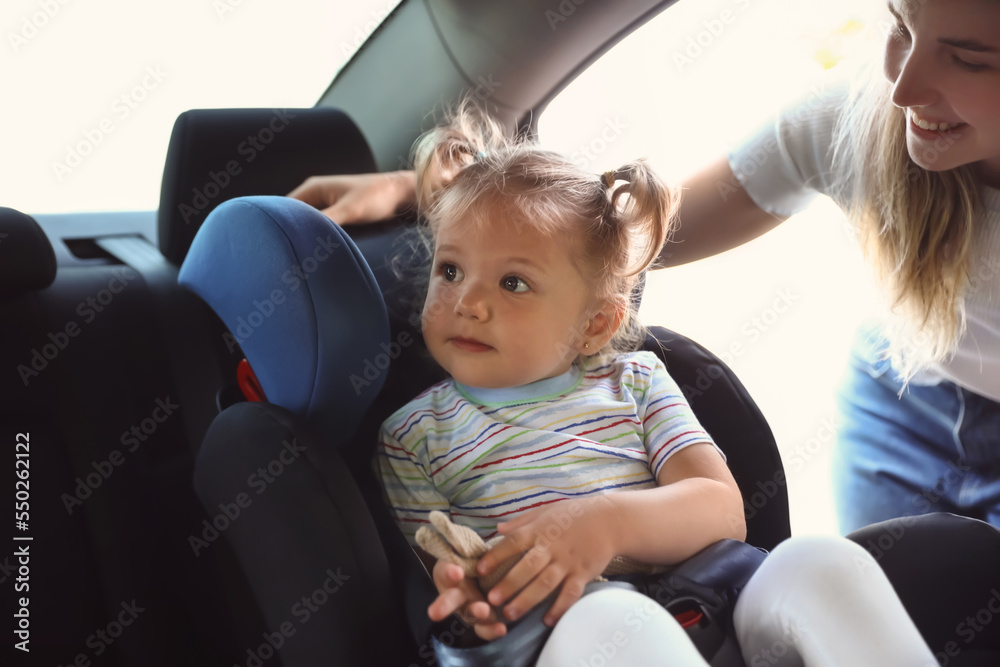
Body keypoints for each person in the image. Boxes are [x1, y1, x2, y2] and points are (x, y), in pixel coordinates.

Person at [292, 0, 1000, 537]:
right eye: (900, 27)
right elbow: (621, 232)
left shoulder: (638, 389)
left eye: (968, 59)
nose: (903, 87)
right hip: (902, 396)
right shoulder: (851, 123)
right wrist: (436, 194)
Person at [369, 100, 934, 666]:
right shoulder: (412, 436)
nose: (467, 302)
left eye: (513, 283)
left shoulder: (635, 382)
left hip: (712, 599)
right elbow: (440, 592)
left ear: (595, 325)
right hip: (563, 632)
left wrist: (607, 525)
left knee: (819, 561)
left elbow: (721, 510)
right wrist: (473, 592)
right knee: (613, 618)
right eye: (450, 271)